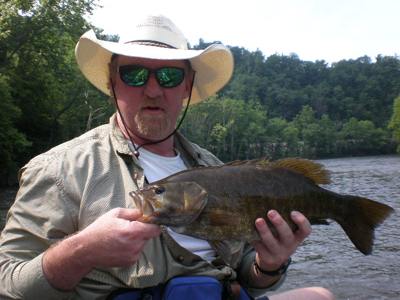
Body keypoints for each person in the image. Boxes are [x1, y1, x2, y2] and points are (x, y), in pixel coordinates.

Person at [0, 14, 335, 300]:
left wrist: (270, 264)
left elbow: (251, 276)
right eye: (133, 73)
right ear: (112, 82)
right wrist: (82, 251)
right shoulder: (60, 168)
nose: (153, 89)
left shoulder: (213, 168)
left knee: (321, 295)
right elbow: (8, 283)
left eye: (169, 75)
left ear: (187, 86)